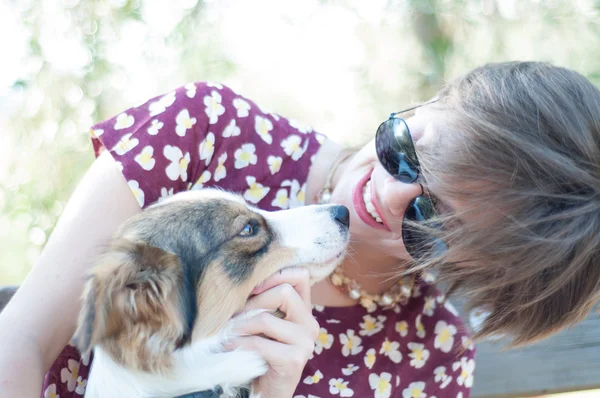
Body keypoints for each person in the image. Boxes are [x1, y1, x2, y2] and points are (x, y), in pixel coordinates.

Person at [1, 61, 599, 398]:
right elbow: (20, 343)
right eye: (409, 150)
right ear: (429, 104)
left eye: (432, 218)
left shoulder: (430, 364)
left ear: (477, 272)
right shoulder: (206, 134)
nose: (386, 193)